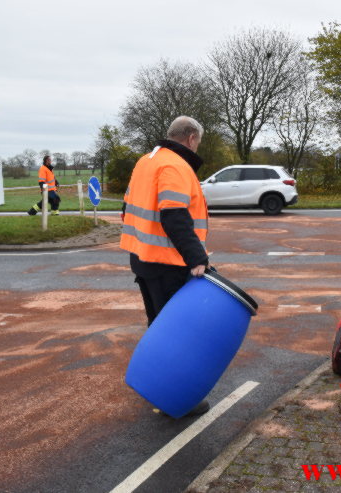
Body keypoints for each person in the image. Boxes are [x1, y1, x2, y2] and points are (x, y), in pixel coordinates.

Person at [120, 115, 210, 417]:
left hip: (143, 259)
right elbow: (174, 215)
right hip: (168, 263)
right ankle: (171, 397)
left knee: (157, 326)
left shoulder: (146, 161)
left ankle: (154, 389)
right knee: (175, 334)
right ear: (191, 138)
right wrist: (196, 257)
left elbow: (126, 208)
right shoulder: (174, 165)